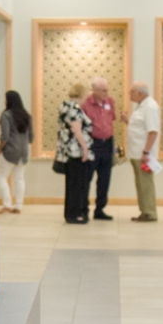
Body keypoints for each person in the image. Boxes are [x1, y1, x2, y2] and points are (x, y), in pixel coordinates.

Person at [81, 77, 117, 220]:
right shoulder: (85, 104)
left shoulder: (110, 102)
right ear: (94, 90)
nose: (106, 93)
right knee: (87, 178)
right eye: (103, 90)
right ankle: (84, 209)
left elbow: (111, 119)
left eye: (107, 90)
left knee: (104, 179)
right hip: (92, 143)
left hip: (107, 143)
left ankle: (100, 209)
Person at [123, 81, 160, 222]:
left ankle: (150, 213)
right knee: (140, 184)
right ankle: (144, 211)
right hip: (136, 153)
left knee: (146, 184)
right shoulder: (141, 107)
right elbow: (139, 128)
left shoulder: (150, 107)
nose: (129, 95)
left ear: (139, 93)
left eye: (131, 92)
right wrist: (127, 121)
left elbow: (153, 132)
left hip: (143, 154)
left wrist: (146, 152)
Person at [56, 83, 92, 224]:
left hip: (67, 152)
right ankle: (75, 214)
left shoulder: (64, 106)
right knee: (77, 185)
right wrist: (85, 148)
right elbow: (77, 130)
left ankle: (70, 213)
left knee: (71, 184)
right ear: (82, 94)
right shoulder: (75, 109)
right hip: (76, 152)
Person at [0, 91, 31, 214]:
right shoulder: (26, 115)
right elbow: (31, 137)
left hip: (11, 150)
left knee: (1, 177)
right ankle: (18, 206)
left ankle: (7, 204)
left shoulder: (6, 115)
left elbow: (4, 136)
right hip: (24, 151)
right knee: (19, 179)